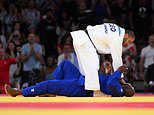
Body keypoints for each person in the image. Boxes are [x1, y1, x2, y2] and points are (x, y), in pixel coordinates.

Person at [5, 60, 135, 97]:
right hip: (82, 79)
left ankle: (18, 92)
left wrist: (118, 71)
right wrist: (109, 70)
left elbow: (111, 83)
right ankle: (55, 90)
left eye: (130, 87)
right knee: (65, 64)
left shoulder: (119, 91)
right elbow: (108, 80)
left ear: (127, 90)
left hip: (82, 88)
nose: (129, 85)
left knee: (47, 84)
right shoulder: (118, 85)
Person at [70, 22, 135, 94]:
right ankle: (96, 91)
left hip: (82, 38)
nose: (127, 44)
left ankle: (83, 91)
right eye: (129, 41)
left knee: (85, 70)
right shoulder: (118, 38)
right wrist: (121, 78)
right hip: (85, 41)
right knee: (93, 66)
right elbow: (117, 60)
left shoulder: (116, 29)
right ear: (126, 35)